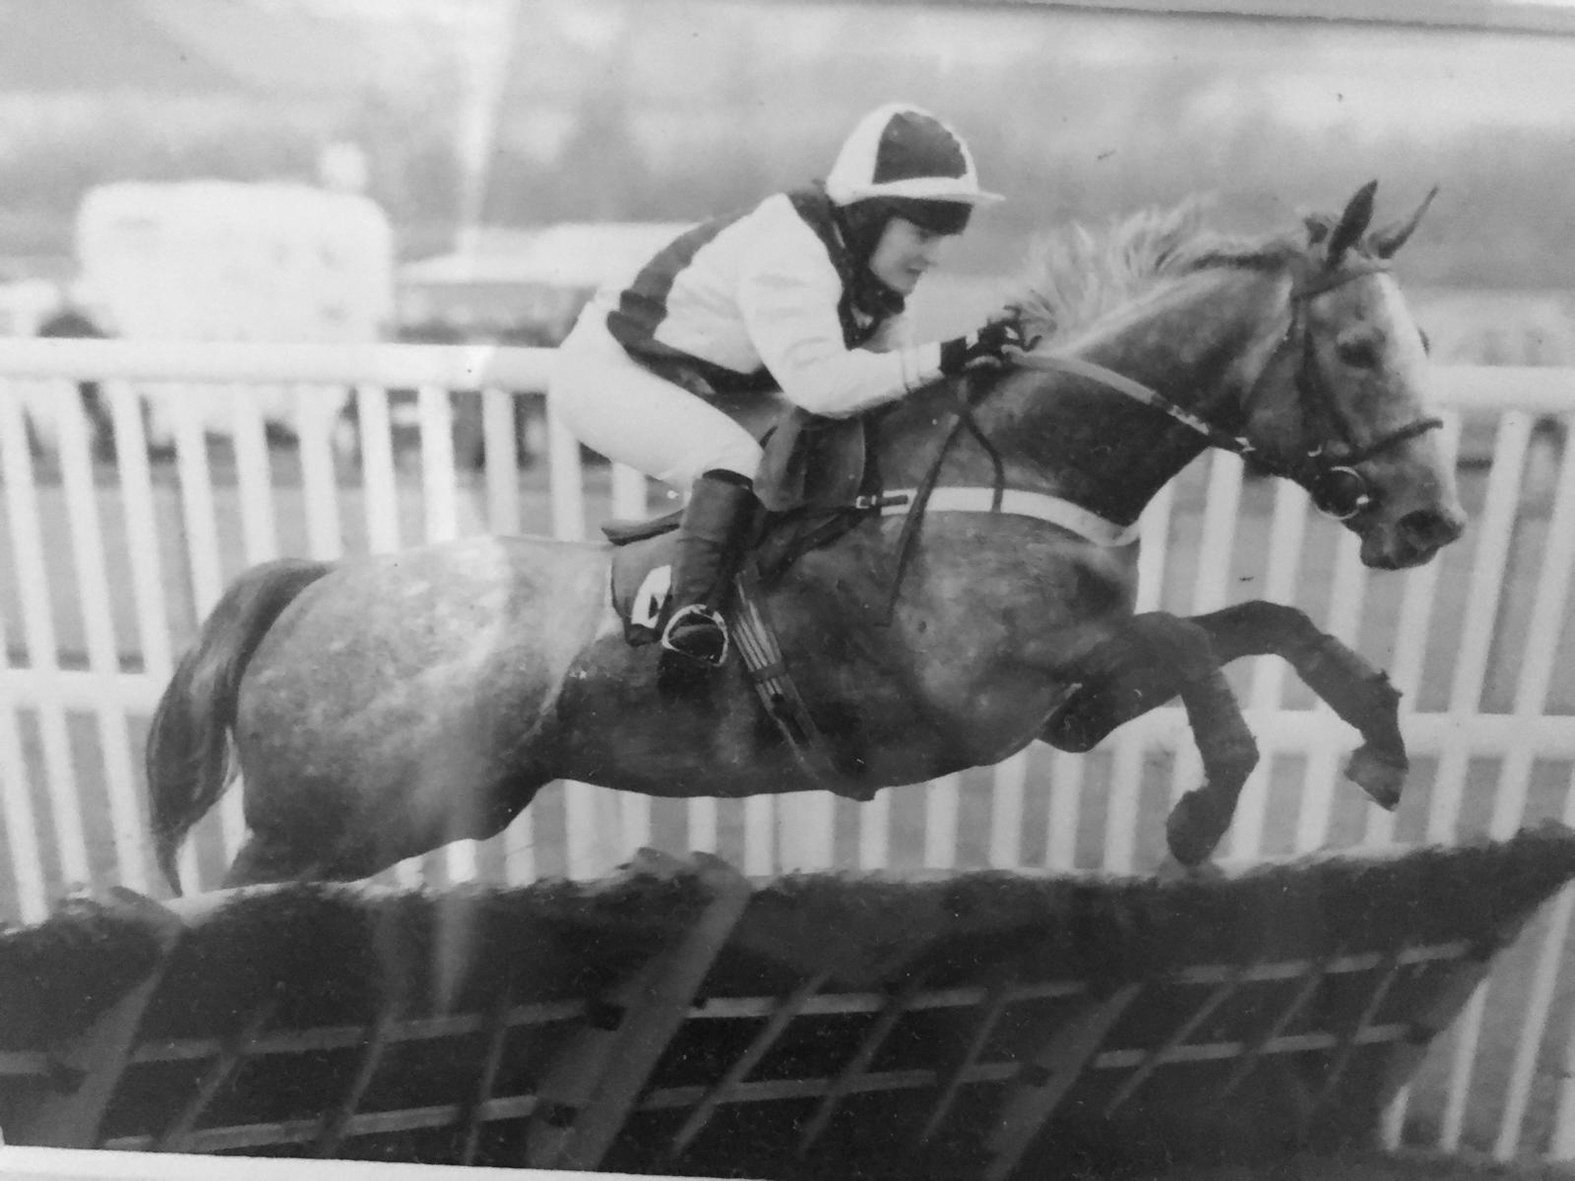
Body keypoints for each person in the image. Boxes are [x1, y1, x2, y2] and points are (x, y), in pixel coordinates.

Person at [548, 102, 1027, 686]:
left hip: (701, 376)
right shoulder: (794, 250)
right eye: (922, 233)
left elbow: (887, 387)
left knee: (808, 454)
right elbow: (824, 387)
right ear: (872, 218)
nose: (932, 256)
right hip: (613, 369)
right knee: (733, 459)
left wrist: (976, 367)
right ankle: (689, 619)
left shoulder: (870, 274)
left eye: (942, 237)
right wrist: (953, 354)